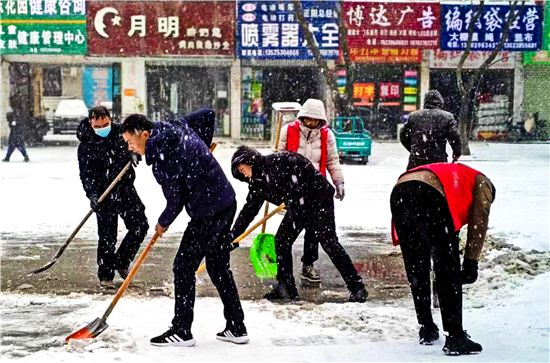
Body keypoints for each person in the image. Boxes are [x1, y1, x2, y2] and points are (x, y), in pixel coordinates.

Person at [121, 114, 248, 347]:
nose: (129, 147)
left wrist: (163, 222)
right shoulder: (173, 126)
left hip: (208, 211)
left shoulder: (163, 159)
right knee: (218, 266)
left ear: (145, 135)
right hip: (226, 202)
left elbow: (175, 201)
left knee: (183, 267)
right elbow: (208, 115)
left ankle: (181, 330)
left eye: (130, 142)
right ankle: (237, 326)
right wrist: (203, 147)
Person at [230, 146, 367, 302]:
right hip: (297, 207)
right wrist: (234, 236)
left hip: (318, 200)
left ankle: (357, 287)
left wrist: (295, 194)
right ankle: (285, 287)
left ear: (251, 161)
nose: (245, 175)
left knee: (329, 243)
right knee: (281, 242)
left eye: (243, 170)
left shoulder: (278, 161)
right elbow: (249, 211)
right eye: (241, 174)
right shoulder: (257, 183)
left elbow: (303, 168)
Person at [390, 162, 495, 355]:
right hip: (429, 193)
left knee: (416, 265)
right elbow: (479, 222)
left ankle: (427, 327)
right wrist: (471, 262)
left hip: (400, 191)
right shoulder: (483, 183)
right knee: (447, 265)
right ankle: (455, 337)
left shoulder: (458, 174)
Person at [77, 106, 149, 289]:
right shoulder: (86, 144)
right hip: (103, 194)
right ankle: (106, 274)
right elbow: (86, 175)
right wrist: (93, 195)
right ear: (90, 124)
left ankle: (122, 261)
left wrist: (134, 153)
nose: (103, 128)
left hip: (124, 188)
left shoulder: (120, 133)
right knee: (107, 236)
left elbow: (133, 144)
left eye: (106, 124)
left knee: (140, 225)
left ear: (110, 119)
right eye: (98, 125)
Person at [277, 98, 344, 285]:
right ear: (303, 117)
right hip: (294, 190)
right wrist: (278, 190)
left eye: (316, 120)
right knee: (285, 235)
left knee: (313, 231)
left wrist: (338, 181)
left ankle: (308, 265)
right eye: (309, 119)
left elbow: (332, 160)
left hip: (316, 191)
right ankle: (284, 275)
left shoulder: (326, 135)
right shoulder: (288, 131)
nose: (312, 123)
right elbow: (277, 159)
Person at [400, 90, 461, 170]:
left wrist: (414, 149)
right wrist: (457, 152)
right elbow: (454, 137)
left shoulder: (413, 116)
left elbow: (402, 134)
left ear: (425, 102)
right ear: (440, 102)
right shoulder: (447, 117)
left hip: (416, 162)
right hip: (437, 162)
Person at [3, 97, 30, 162]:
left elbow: (13, 126)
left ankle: (7, 158)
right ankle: (25, 157)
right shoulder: (17, 117)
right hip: (18, 135)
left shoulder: (12, 121)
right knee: (20, 147)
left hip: (15, 135)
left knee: (12, 147)